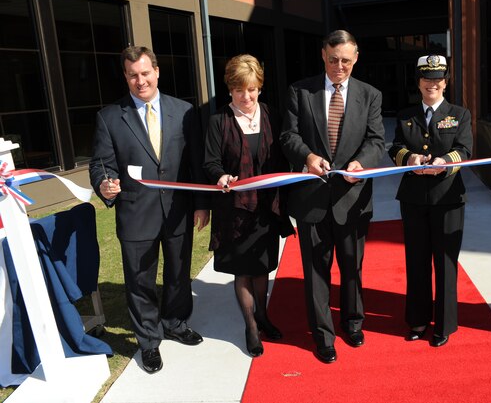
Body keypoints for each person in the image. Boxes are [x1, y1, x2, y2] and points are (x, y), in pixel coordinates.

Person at [89, 46, 210, 374]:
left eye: (145, 73)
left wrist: (201, 204)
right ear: (125, 77)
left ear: (156, 71)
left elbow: (194, 162)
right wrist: (104, 184)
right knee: (139, 281)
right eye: (132, 75)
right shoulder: (110, 116)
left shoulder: (184, 111)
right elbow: (101, 163)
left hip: (178, 211)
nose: (140, 81)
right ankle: (148, 342)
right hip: (135, 213)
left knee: (177, 274)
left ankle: (173, 322)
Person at [279, 29, 385, 363]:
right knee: (316, 273)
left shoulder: (370, 95)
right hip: (312, 200)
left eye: (346, 60)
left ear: (356, 57)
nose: (339, 66)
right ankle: (323, 336)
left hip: (353, 199)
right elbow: (288, 136)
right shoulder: (300, 91)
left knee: (352, 269)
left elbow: (376, 141)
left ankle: (352, 324)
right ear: (323, 54)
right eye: (333, 59)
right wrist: (308, 157)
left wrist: (361, 163)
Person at [203, 54, 294, 358]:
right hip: (235, 211)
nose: (247, 96)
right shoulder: (219, 121)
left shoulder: (271, 114)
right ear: (230, 88)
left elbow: (282, 156)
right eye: (240, 89)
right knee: (242, 270)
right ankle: (250, 326)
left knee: (262, 266)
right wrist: (221, 176)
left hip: (266, 208)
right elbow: (211, 161)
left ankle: (264, 315)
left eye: (253, 89)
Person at [388, 55, 473, 347]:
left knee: (445, 263)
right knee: (417, 261)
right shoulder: (405, 115)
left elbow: (464, 149)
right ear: (419, 82)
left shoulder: (459, 114)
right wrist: (409, 158)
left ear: (445, 82)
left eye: (437, 78)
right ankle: (418, 321)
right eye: (427, 78)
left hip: (448, 198)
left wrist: (444, 162)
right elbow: (396, 148)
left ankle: (444, 325)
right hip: (413, 198)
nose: (432, 83)